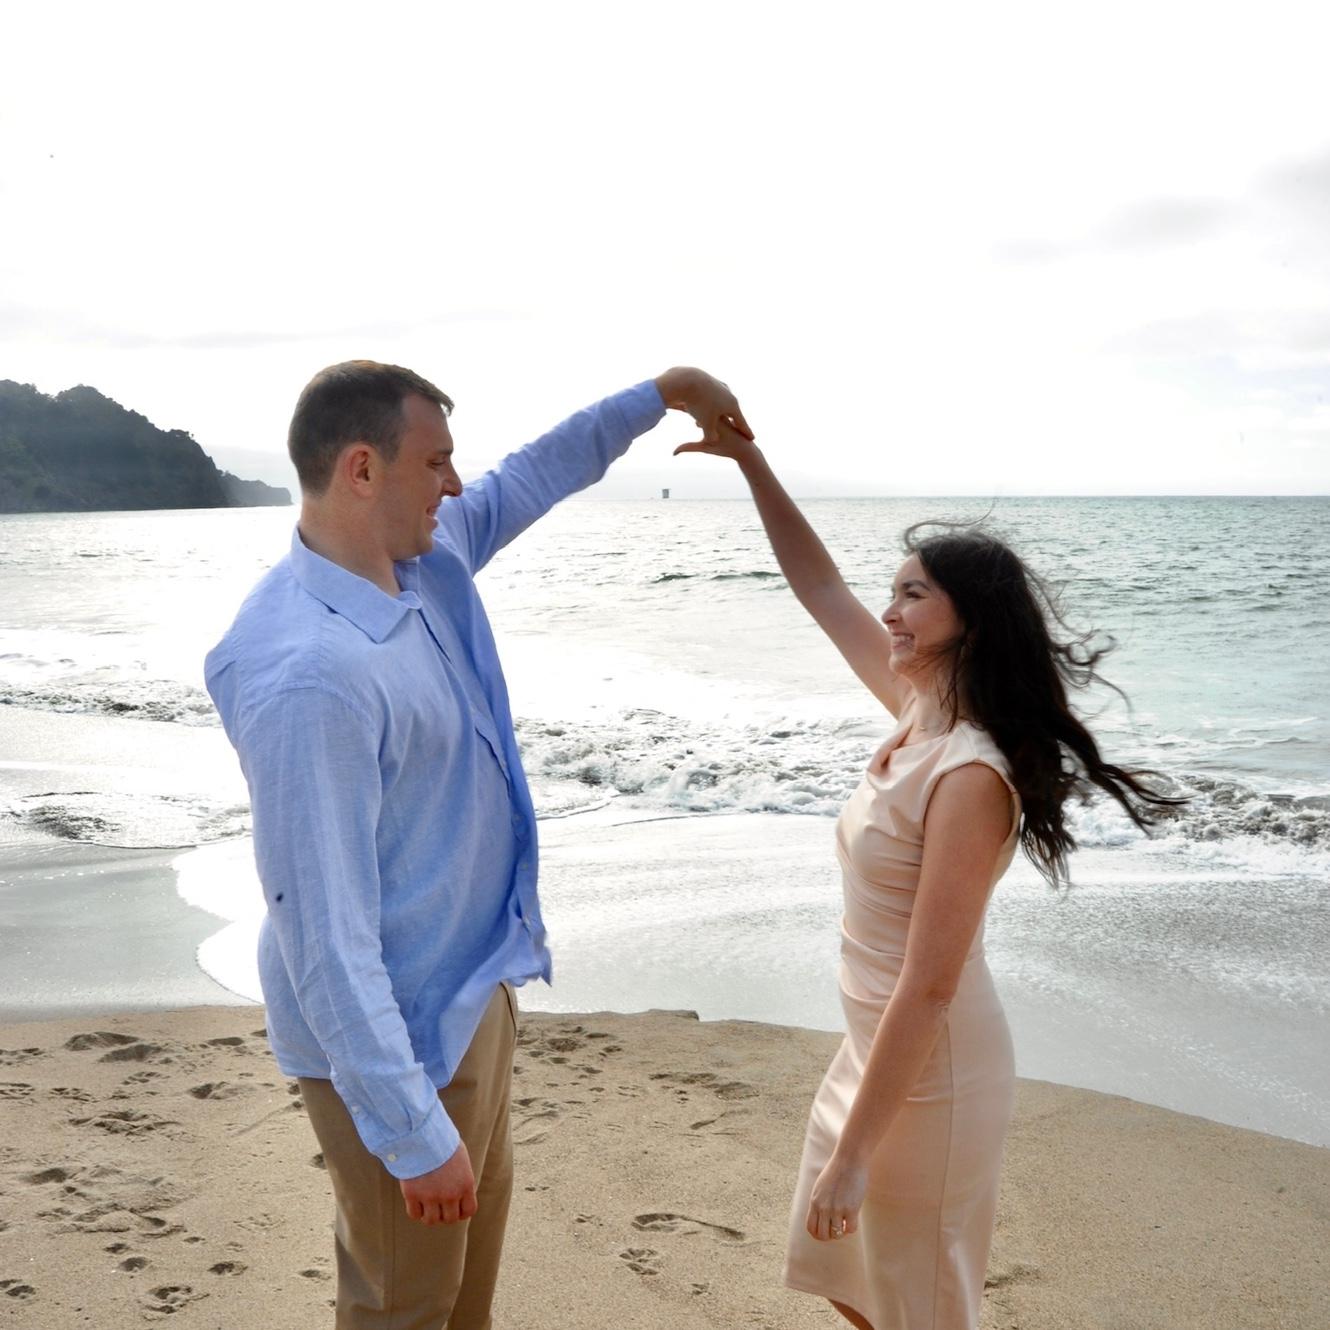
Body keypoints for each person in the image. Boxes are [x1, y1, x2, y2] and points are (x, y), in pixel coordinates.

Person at [205, 361, 751, 1330]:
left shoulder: (422, 562)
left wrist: (660, 394)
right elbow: (322, 936)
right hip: (392, 1034)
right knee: (404, 1306)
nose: (455, 484)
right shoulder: (310, 676)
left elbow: (530, 476)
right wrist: (410, 1127)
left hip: (468, 994)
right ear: (362, 469)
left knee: (461, 1303)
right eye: (436, 462)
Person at [674, 425, 1177, 1330]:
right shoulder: (915, 714)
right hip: (871, 1050)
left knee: (919, 1303)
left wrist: (856, 1153)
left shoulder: (970, 774)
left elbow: (933, 984)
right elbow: (820, 588)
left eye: (913, 594)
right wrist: (750, 461)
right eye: (894, 592)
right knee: (842, 1274)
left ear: (969, 621)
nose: (890, 611)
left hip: (933, 1072)